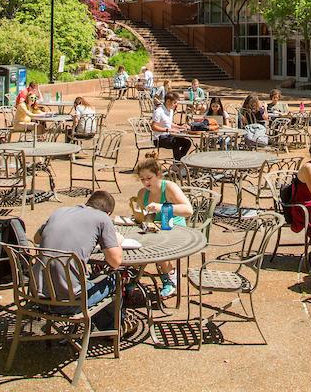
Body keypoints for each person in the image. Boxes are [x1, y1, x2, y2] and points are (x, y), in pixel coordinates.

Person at [34, 190, 124, 313]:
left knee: (90, 277)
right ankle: (112, 327)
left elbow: (36, 238)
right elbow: (116, 261)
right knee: (114, 280)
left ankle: (99, 325)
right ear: (108, 213)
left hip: (38, 296)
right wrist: (117, 242)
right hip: (71, 302)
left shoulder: (60, 211)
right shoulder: (102, 218)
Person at [135, 156, 194, 298]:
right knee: (133, 243)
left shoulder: (168, 188)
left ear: (158, 175)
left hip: (175, 228)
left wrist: (162, 207)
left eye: (149, 178)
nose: (146, 182)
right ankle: (134, 276)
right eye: (142, 179)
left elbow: (188, 210)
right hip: (156, 228)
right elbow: (142, 215)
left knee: (154, 245)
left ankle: (170, 278)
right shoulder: (143, 193)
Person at [150, 91, 192, 160]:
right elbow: (153, 127)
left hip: (169, 136)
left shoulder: (170, 110)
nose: (176, 105)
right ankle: (177, 164)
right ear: (168, 101)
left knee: (187, 143)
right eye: (174, 103)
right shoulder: (159, 111)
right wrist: (168, 129)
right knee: (176, 142)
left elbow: (169, 123)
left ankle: (178, 161)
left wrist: (180, 127)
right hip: (159, 138)